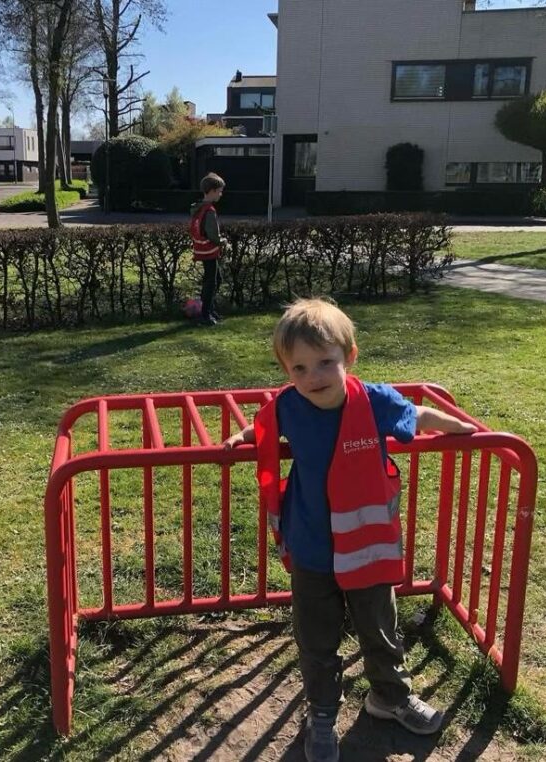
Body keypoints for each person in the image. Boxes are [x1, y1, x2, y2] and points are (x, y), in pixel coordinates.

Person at [223, 298, 477, 762]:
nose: (313, 377)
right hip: (312, 549)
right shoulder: (289, 405)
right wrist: (241, 438)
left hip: (368, 549)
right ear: (286, 370)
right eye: (298, 368)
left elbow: (416, 415)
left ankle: (390, 697)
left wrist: (457, 426)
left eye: (325, 362)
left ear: (349, 356)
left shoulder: (372, 399)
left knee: (380, 629)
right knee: (317, 639)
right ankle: (321, 712)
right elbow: (263, 426)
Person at [189, 172, 226, 326]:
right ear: (211, 191)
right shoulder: (209, 210)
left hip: (201, 250)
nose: (221, 194)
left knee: (215, 279)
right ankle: (205, 314)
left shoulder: (199, 208)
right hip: (209, 251)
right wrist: (223, 241)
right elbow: (213, 234)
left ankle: (209, 309)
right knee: (212, 282)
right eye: (219, 191)